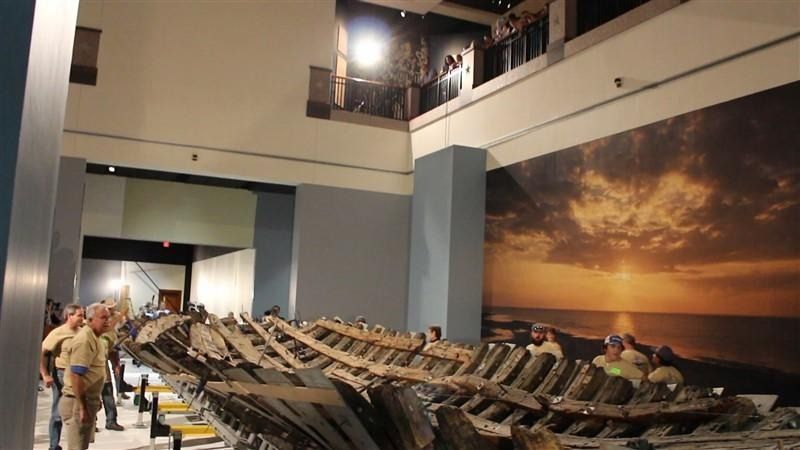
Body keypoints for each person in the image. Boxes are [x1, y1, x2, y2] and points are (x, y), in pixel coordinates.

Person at [59, 303, 112, 450]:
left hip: (88, 400)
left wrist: (96, 398)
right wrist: (82, 407)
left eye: (109, 317)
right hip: (77, 402)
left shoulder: (97, 338)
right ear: (89, 320)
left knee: (82, 445)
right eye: (103, 318)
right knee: (77, 446)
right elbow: (76, 376)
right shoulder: (84, 340)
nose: (107, 321)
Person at [41, 303, 84, 450]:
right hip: (61, 374)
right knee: (58, 411)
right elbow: (43, 353)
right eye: (79, 315)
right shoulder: (58, 333)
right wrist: (45, 374)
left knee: (79, 409)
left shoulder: (83, 332)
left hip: (79, 374)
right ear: (69, 316)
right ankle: (54, 446)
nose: (82, 318)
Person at [98, 300, 124, 431]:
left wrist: (116, 365)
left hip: (103, 369)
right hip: (90, 370)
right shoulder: (89, 330)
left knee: (108, 393)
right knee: (91, 398)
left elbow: (112, 351)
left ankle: (111, 420)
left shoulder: (111, 333)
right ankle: (91, 423)